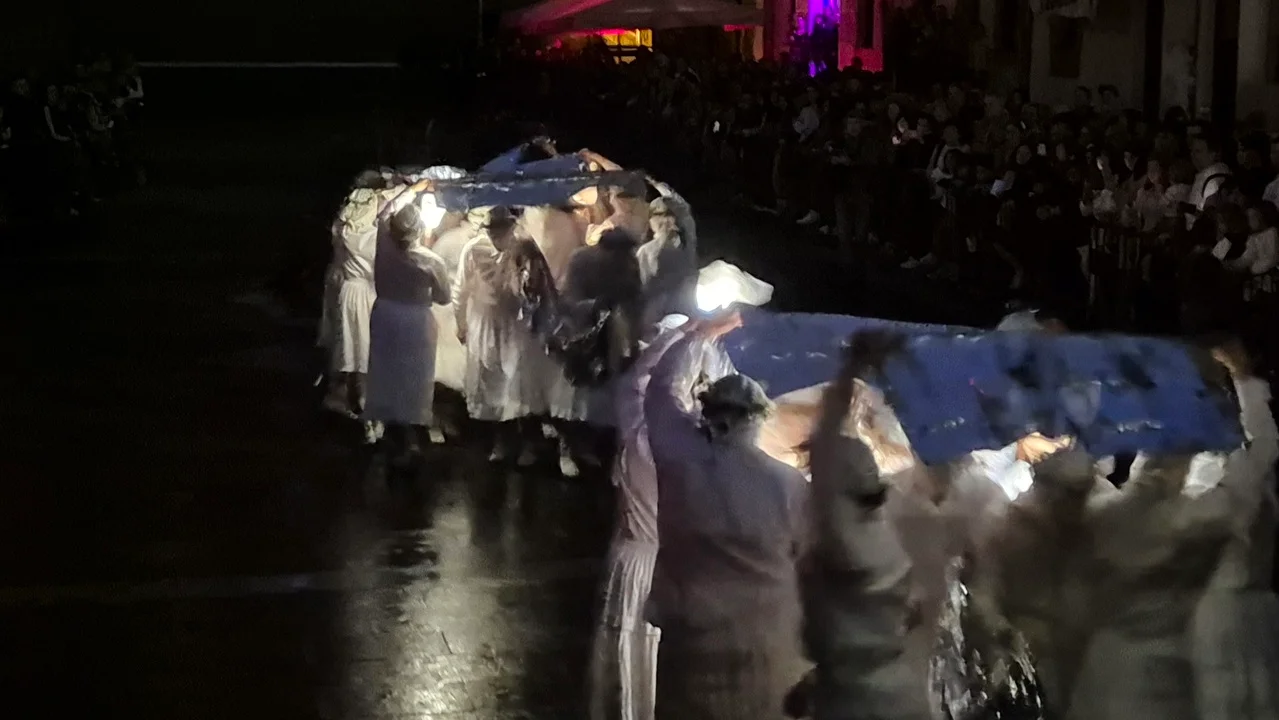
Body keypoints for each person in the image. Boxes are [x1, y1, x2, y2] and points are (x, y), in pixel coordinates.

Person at [646, 312, 809, 720]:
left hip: (691, 636)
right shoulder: (787, 484)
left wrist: (699, 336)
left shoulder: (680, 460)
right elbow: (814, 562)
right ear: (759, 419)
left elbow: (661, 390)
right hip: (766, 643)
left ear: (707, 410)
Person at [588, 313, 735, 720]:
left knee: (634, 657)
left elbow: (642, 383)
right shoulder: (700, 447)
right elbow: (661, 387)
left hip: (637, 563)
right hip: (674, 567)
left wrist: (693, 335)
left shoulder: (641, 432)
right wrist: (699, 339)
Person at [802, 335, 932, 720]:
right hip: (897, 688)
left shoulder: (846, 539)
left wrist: (851, 367)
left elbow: (825, 442)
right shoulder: (883, 534)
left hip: (857, 701)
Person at [1187, 340, 1279, 720]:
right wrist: (1244, 380)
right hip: (1219, 620)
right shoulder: (1199, 473)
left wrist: (1243, 379)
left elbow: (1264, 443)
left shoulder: (1240, 462)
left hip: (1254, 615)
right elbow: (1263, 447)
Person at [362, 180, 451, 465]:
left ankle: (391, 431)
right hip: (416, 321)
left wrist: (412, 190)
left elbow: (384, 212)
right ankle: (410, 436)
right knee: (413, 378)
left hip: (385, 316)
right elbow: (444, 297)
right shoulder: (431, 261)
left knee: (387, 373)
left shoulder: (384, 245)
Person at [453, 206, 550, 464]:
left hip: (515, 322)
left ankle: (528, 442)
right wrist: (460, 323)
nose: (497, 237)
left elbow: (538, 287)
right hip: (485, 322)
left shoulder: (524, 249)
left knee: (518, 379)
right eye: (492, 232)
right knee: (492, 378)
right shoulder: (473, 249)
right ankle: (502, 439)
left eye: (501, 231)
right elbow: (460, 289)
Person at [321, 187, 381, 420]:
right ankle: (363, 397)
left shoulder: (344, 230)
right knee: (364, 344)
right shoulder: (373, 236)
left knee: (349, 341)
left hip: (348, 291)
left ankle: (349, 392)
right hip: (367, 291)